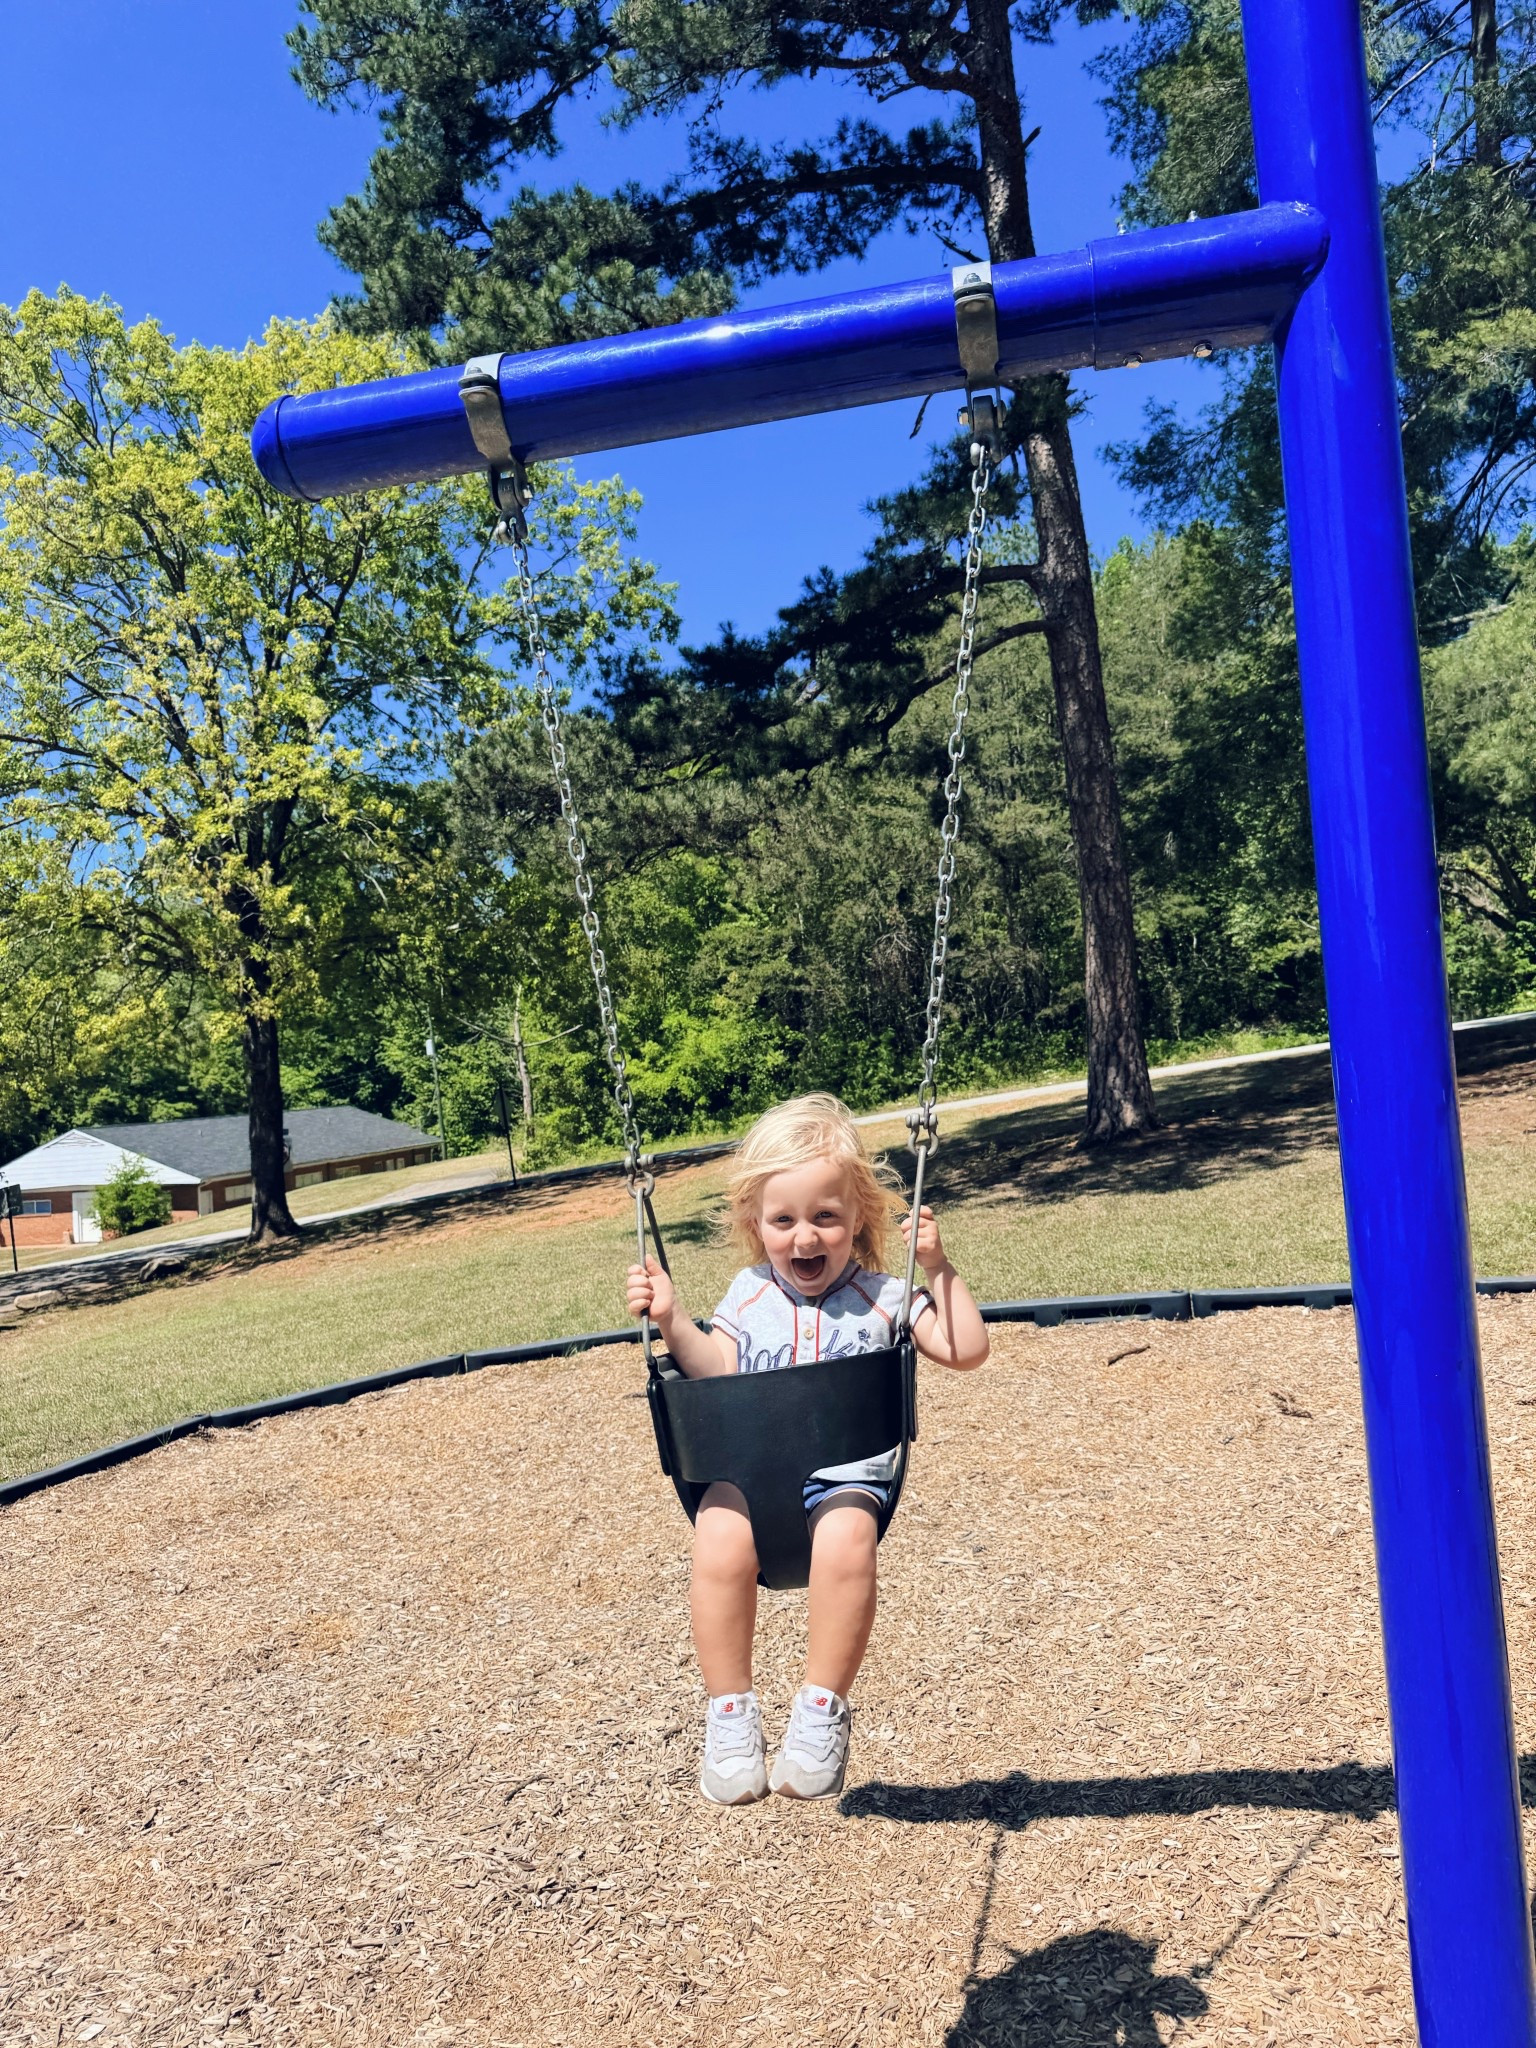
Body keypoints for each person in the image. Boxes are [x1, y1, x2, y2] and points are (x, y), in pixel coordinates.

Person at [626, 1092, 989, 1805]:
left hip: (846, 1475)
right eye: (783, 1220)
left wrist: (939, 1269)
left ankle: (820, 1709)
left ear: (858, 1217)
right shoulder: (748, 1294)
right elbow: (715, 1371)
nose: (805, 1238)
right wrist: (670, 1318)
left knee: (847, 1540)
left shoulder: (887, 1297)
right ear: (756, 1225)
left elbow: (968, 1350)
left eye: (825, 1217)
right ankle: (730, 1715)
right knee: (718, 1541)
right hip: (753, 1469)